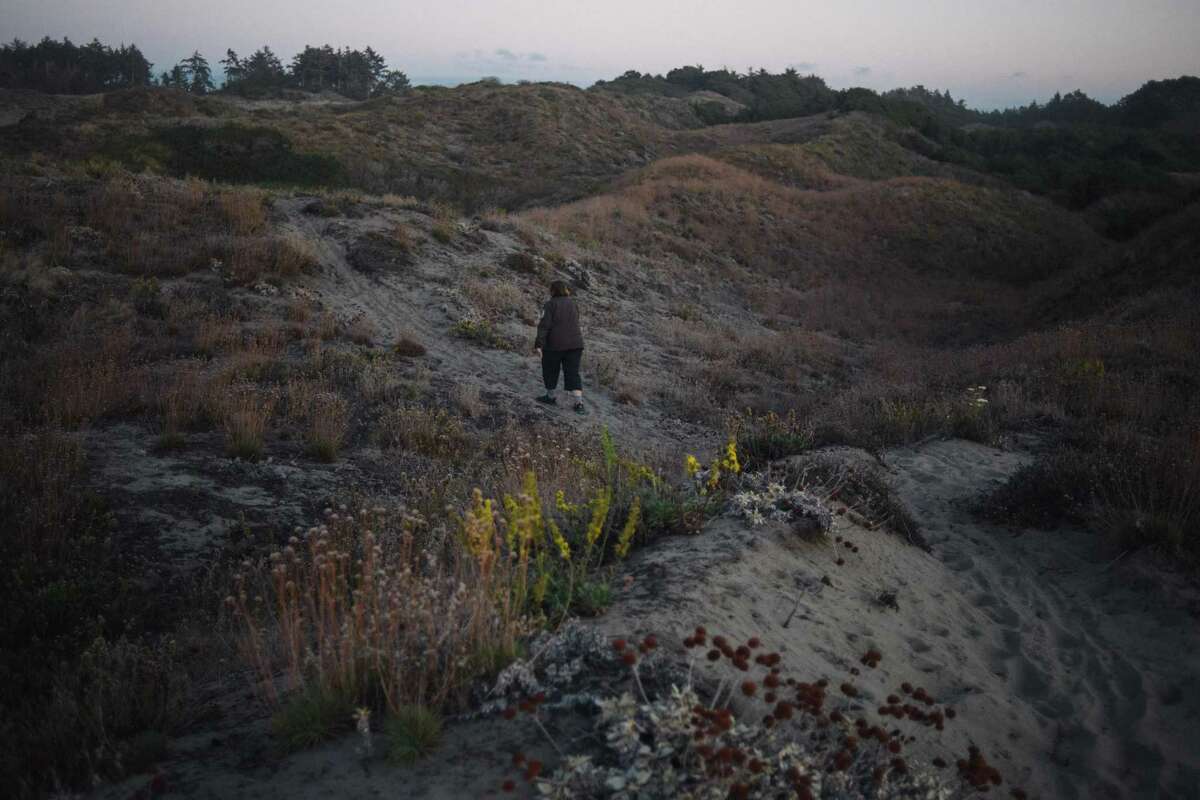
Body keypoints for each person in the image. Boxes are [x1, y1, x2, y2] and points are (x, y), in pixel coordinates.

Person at [533, 279, 585, 414]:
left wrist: (539, 344)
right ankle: (579, 404)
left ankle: (550, 397)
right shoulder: (573, 304)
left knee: (550, 370)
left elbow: (544, 326)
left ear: (553, 291)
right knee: (573, 373)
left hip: (555, 345)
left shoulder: (550, 305)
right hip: (575, 344)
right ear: (565, 290)